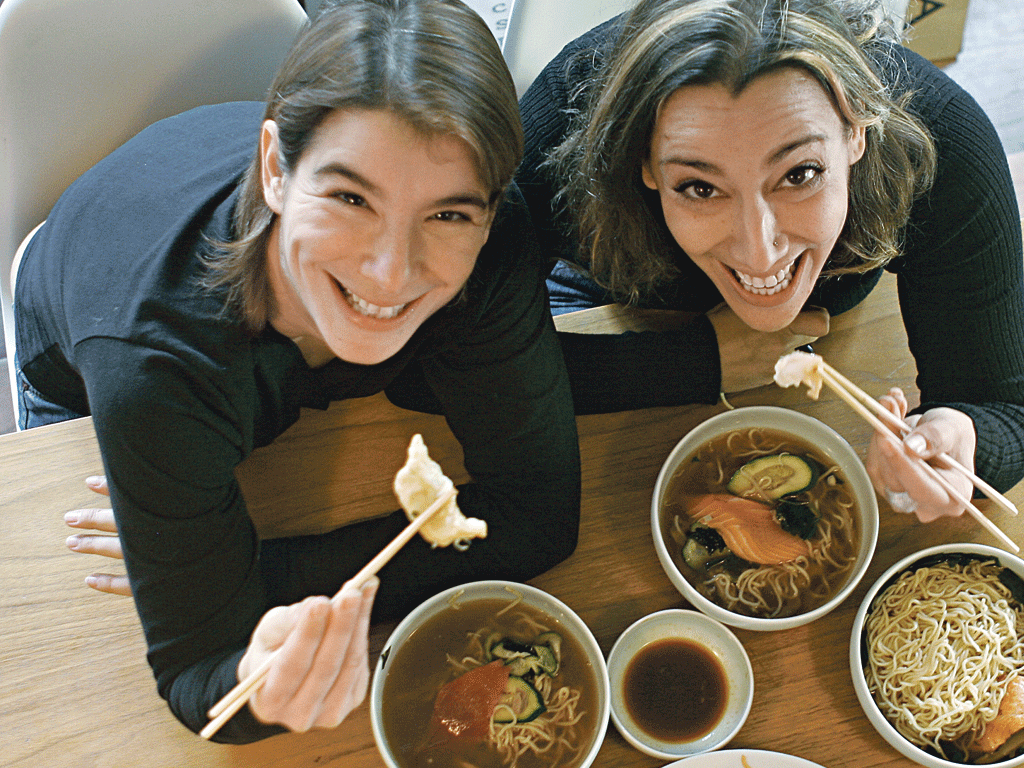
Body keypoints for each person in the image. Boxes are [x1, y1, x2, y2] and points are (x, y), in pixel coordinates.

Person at [14, 0, 580, 744]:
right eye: (350, 197)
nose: (390, 272)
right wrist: (261, 678)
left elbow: (541, 513)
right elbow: (197, 677)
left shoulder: (491, 234)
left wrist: (257, 575)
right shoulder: (155, 363)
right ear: (277, 170)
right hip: (77, 364)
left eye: (447, 216)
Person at [516, 0, 1024, 522]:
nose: (759, 252)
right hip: (612, 300)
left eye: (800, 174)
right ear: (641, 162)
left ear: (856, 133)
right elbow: (436, 358)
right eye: (699, 187)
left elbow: (1005, 411)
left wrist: (962, 438)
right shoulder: (565, 127)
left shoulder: (941, 141)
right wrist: (694, 362)